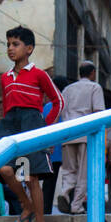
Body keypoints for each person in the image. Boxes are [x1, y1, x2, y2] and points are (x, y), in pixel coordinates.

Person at [0, 26, 63, 222]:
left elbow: (58, 101)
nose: (10, 48)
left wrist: (46, 128)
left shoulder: (39, 74)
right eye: (8, 44)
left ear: (29, 48)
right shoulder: (5, 77)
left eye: (15, 44)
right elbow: (6, 105)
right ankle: (27, 205)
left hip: (32, 124)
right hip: (11, 126)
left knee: (30, 177)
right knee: (6, 170)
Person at [54, 61, 105, 215]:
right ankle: (76, 205)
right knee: (84, 172)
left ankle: (64, 192)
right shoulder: (95, 87)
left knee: (69, 170)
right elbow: (98, 113)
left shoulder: (67, 90)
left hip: (68, 133)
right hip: (85, 134)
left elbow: (61, 111)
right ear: (93, 73)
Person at [42, 74, 70, 213]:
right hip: (67, 148)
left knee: (49, 183)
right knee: (71, 180)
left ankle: (45, 210)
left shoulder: (48, 106)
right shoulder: (69, 106)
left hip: (51, 151)